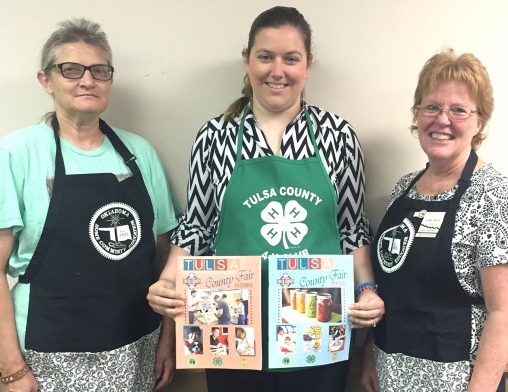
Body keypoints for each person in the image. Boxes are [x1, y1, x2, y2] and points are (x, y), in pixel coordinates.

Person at [148, 6, 384, 392]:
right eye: (265, 56)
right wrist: (167, 283)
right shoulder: (214, 137)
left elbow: (352, 229)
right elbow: (196, 229)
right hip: (230, 333)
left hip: (317, 333)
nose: (278, 70)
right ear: (247, 60)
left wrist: (367, 291)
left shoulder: (338, 136)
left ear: (308, 66)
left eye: (291, 58)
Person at [0, 18, 178, 391]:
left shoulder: (139, 154)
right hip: (48, 350)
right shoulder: (15, 154)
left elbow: (165, 259)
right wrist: (13, 369)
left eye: (99, 70)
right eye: (71, 70)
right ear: (45, 80)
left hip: (135, 343)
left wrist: (168, 338)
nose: (87, 80)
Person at [361, 48, 508, 392]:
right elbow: (394, 289)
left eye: (458, 109)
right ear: (417, 114)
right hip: (390, 374)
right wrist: (369, 356)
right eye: (432, 107)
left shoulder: (493, 194)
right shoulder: (404, 188)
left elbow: (503, 313)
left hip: (454, 384)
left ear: (479, 121)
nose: (442, 120)